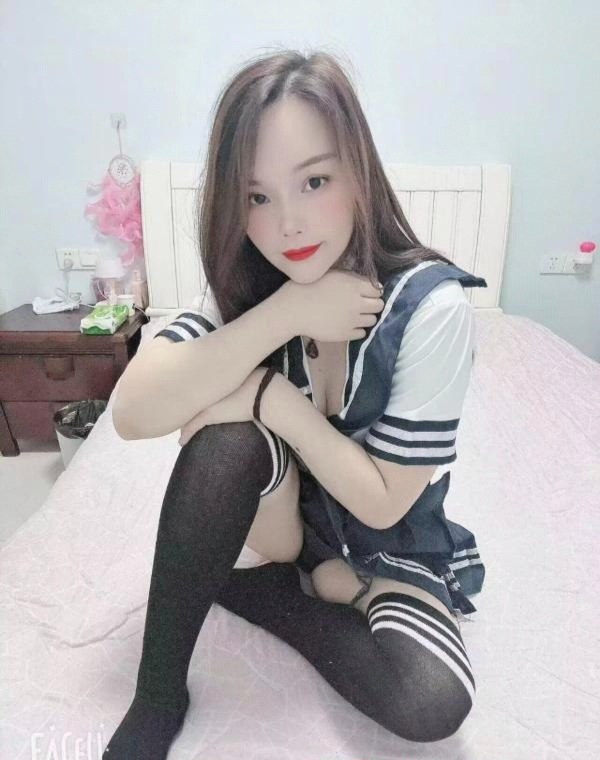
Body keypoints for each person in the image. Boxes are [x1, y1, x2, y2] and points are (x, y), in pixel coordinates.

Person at [103, 48, 487, 759]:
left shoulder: (430, 309)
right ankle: (158, 693)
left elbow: (382, 504)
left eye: (314, 181)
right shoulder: (251, 284)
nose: (289, 226)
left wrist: (267, 395)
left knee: (431, 701)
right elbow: (133, 414)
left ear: (358, 172)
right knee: (224, 446)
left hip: (384, 544)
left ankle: (277, 595)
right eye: (257, 197)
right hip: (284, 523)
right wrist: (287, 312)